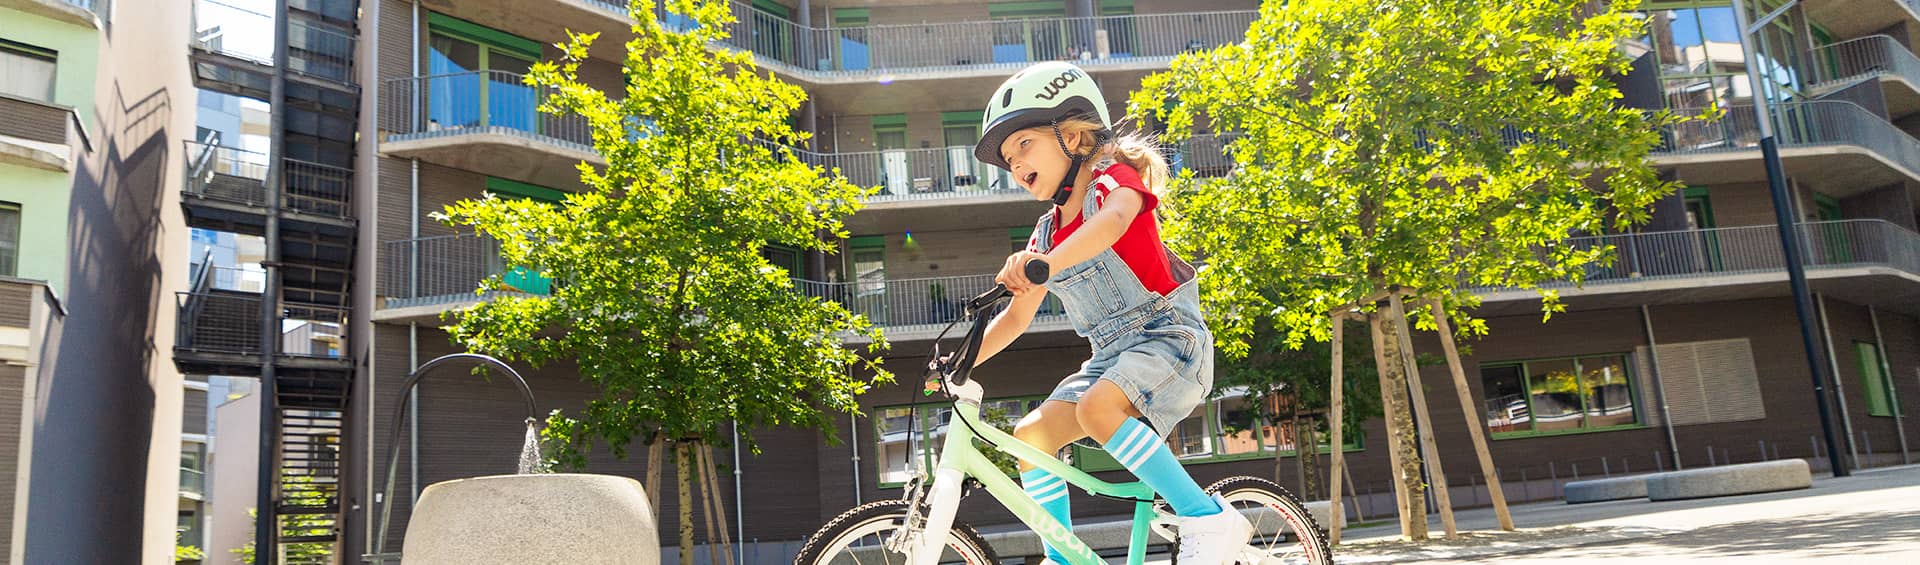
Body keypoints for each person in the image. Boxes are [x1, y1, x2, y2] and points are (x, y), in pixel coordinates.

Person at [964, 61, 1252, 564]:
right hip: (1109, 361)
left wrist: (1045, 265)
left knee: (1096, 409)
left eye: (1024, 144)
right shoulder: (1044, 234)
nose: (1015, 163)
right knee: (1030, 435)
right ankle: (1064, 558)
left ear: (1073, 136)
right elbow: (1015, 318)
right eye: (1008, 159)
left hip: (1169, 340)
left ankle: (1206, 516)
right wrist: (960, 364)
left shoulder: (1111, 182)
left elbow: (1115, 221)